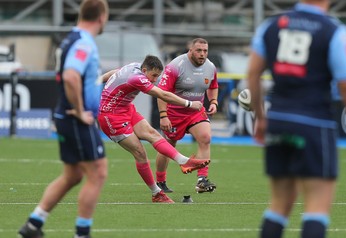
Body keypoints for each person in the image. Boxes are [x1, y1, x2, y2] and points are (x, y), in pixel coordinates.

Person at [246, 1, 346, 237]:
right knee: (316, 207)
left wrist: (261, 118)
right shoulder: (333, 30)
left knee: (278, 205)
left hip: (279, 119)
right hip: (315, 123)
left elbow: (253, 74)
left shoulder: (271, 26)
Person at [18, 1, 109, 238]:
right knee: (98, 173)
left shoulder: (71, 37)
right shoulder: (83, 42)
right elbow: (70, 76)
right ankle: (82, 233)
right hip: (76, 118)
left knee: (73, 175)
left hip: (64, 115)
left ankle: (33, 224)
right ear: (101, 17)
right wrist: (79, 110)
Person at [97, 55, 211, 203]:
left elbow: (113, 73)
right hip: (110, 116)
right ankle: (156, 193)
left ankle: (184, 161)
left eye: (158, 76)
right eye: (154, 75)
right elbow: (162, 94)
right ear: (145, 70)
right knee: (140, 152)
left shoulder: (135, 66)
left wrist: (95, 82)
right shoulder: (137, 78)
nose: (155, 79)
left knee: (153, 134)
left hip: (126, 109)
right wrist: (189, 104)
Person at [155, 38, 219, 193]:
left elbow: (213, 86)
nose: (202, 54)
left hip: (195, 112)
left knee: (205, 137)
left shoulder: (210, 67)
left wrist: (214, 101)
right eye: (198, 50)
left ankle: (201, 180)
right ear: (190, 50)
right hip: (174, 113)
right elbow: (162, 93)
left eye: (205, 51)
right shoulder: (175, 66)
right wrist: (163, 116)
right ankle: (160, 181)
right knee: (169, 146)